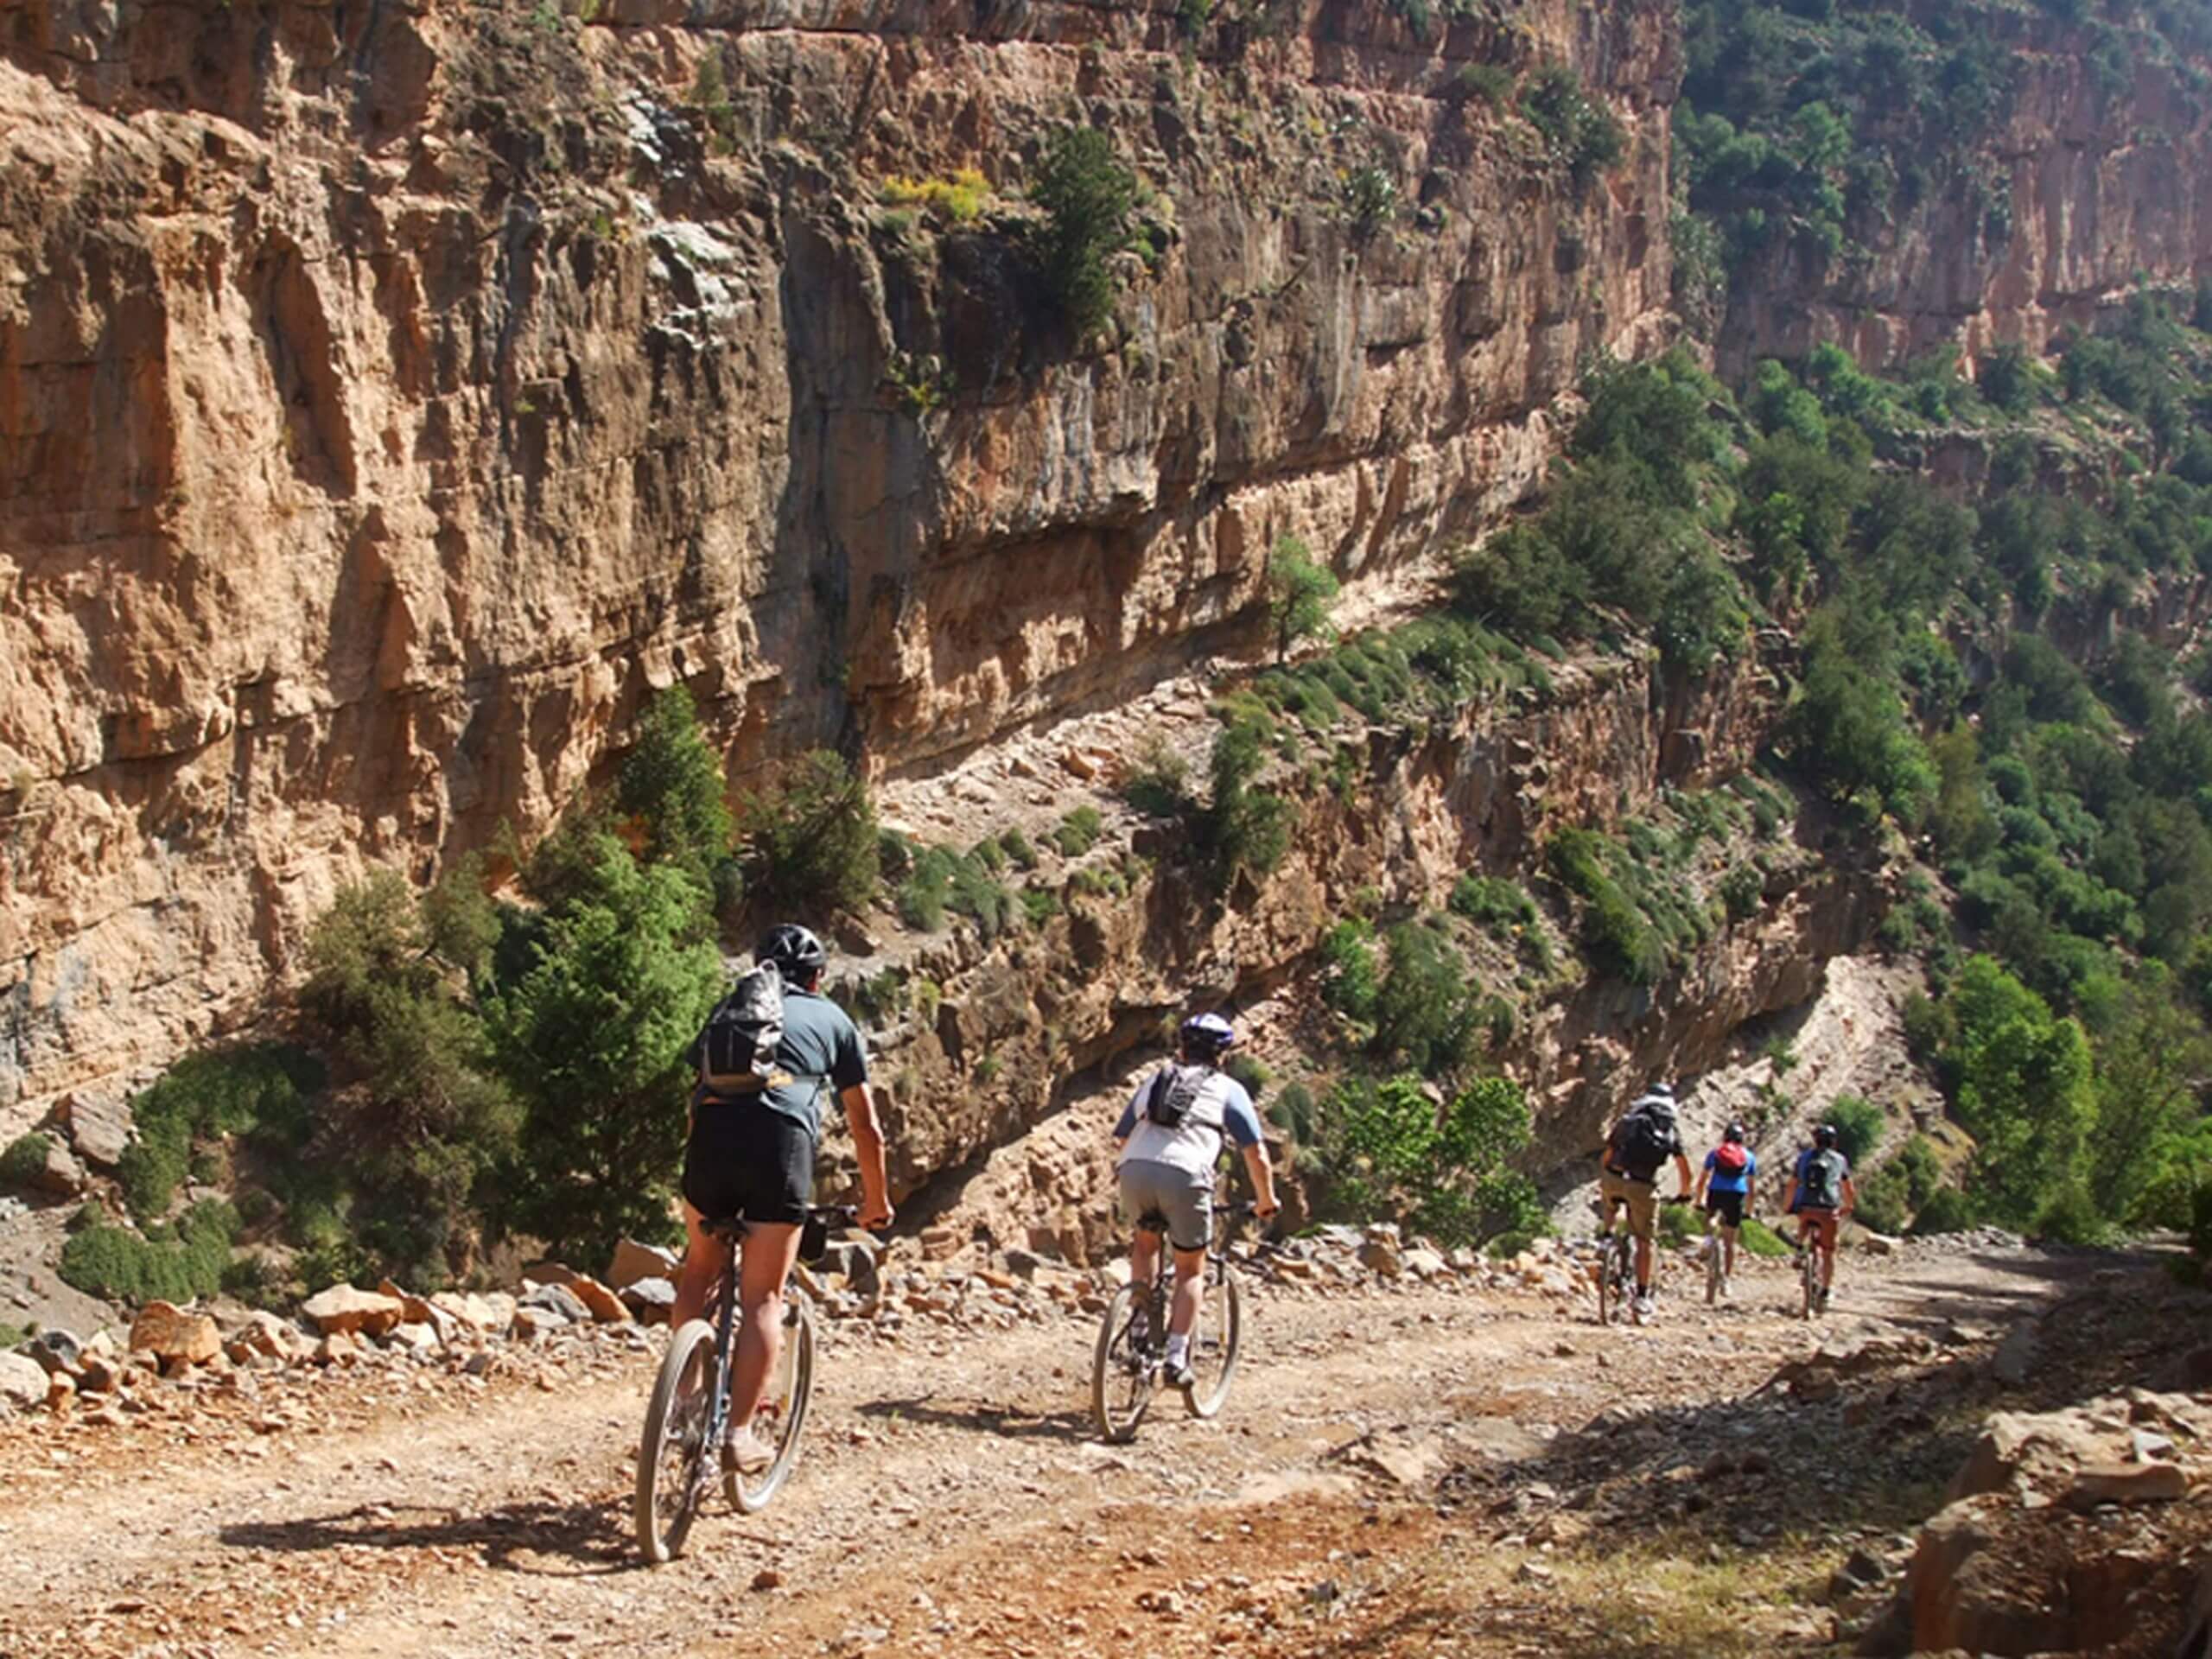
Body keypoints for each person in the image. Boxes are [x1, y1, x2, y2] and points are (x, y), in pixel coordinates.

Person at [672, 924, 894, 1471]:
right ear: (818, 979)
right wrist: (876, 1203)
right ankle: (739, 1434)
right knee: (762, 1299)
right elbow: (866, 1127)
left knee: (699, 1270)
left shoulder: (729, 1012)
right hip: (779, 1147)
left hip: (711, 1141)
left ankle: (678, 1407)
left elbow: (694, 1101)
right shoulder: (834, 1021)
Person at [1113, 1012, 1279, 1388]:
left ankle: (1139, 1325)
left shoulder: (1154, 1079)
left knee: (1145, 1241)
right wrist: (1266, 1199)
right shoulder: (1228, 1090)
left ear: (1182, 1046)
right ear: (1223, 1054)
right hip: (1185, 1175)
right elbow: (1256, 1155)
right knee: (1190, 1268)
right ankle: (1175, 1356)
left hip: (1134, 1168)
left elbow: (1121, 1137)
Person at [1596, 1081, 1694, 1321]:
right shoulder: (1670, 1129)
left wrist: (1606, 1176)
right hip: (1643, 1185)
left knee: (1610, 1202)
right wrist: (1684, 1194)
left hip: (1615, 1179)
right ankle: (1642, 1298)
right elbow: (1685, 1171)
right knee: (1645, 1241)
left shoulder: (1628, 1121)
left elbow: (1608, 1155)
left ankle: (1607, 1238)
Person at [1785, 1122, 1856, 1313]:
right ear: (1833, 1142)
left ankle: (1800, 1248)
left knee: (1804, 1219)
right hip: (1828, 1208)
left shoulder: (1804, 1158)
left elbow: (1792, 1184)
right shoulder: (1839, 1160)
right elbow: (1848, 1188)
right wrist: (1848, 1206)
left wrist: (1788, 1206)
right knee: (1828, 1252)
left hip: (1806, 1205)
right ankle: (1825, 1291)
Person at [1693, 1121, 1758, 1291]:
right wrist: (1749, 1211)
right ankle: (1726, 1281)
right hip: (1737, 1195)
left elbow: (1702, 1180)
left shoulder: (1715, 1154)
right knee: (1729, 1242)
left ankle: (1708, 1238)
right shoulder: (1749, 1157)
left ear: (1725, 1137)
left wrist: (1698, 1201)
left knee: (1711, 1217)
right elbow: (1752, 1189)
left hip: (1716, 1192)